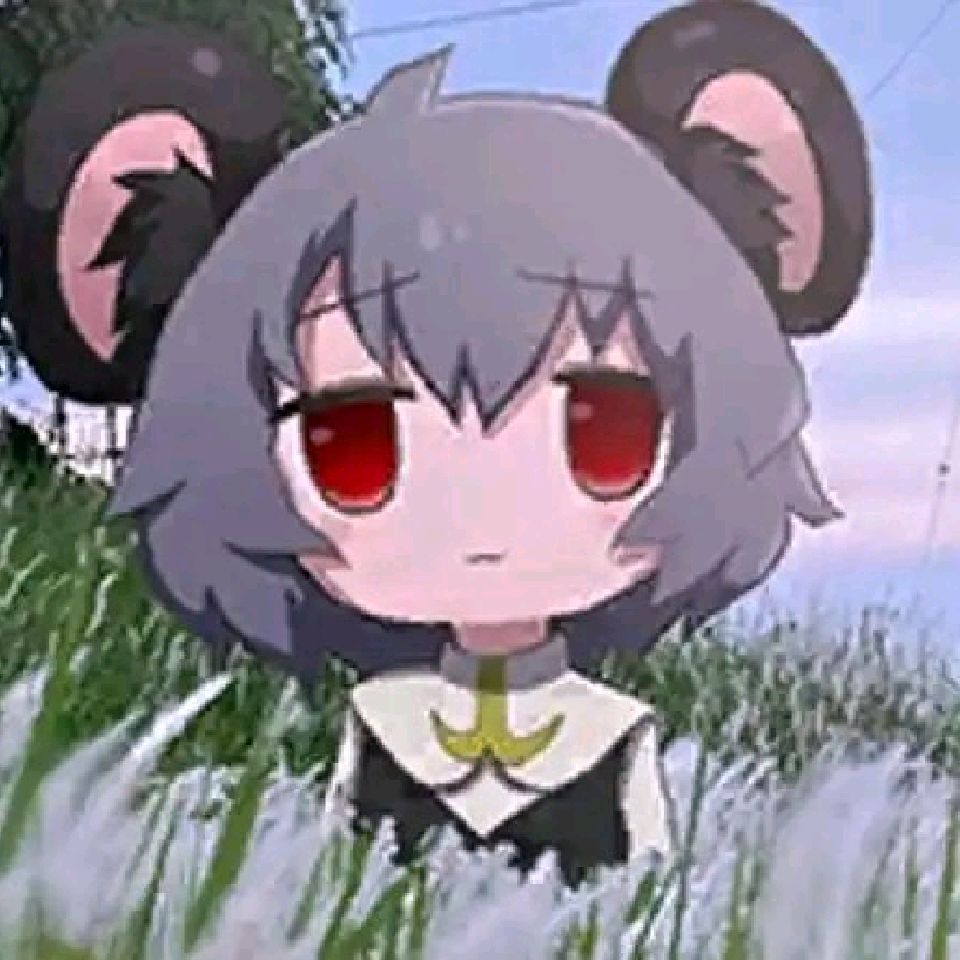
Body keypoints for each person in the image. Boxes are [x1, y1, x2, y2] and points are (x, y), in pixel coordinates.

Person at [0, 2, 872, 887]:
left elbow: (648, 888)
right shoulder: (383, 723)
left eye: (599, 432)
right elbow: (338, 881)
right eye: (355, 445)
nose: (485, 518)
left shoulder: (611, 733)